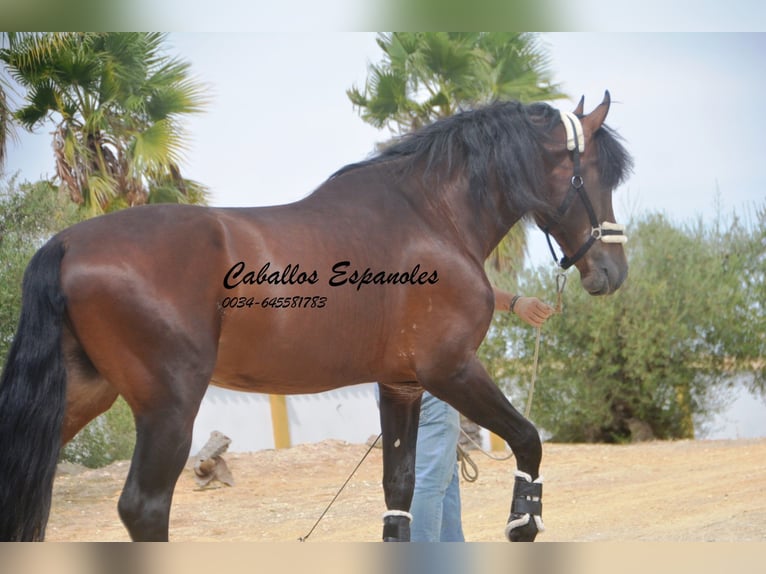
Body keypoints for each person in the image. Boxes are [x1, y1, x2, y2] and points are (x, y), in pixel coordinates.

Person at [409, 289, 554, 542]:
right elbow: (461, 282)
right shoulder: (432, 251)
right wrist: (516, 303)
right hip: (432, 373)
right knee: (430, 482)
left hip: (399, 375)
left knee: (441, 480)